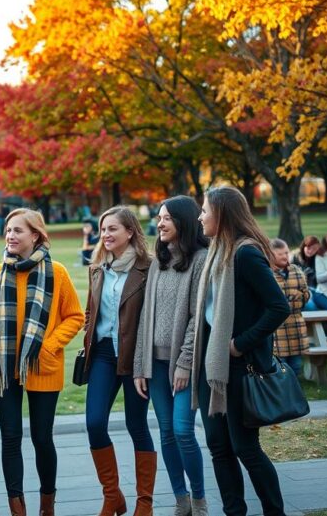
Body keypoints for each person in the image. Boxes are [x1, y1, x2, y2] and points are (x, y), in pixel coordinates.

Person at [191, 186, 290, 516]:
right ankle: (235, 511)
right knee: (219, 446)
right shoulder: (217, 252)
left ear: (222, 214)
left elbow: (278, 307)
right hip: (212, 366)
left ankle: (275, 511)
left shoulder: (245, 253)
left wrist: (240, 344)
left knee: (245, 448)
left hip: (237, 365)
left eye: (205, 210)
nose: (200, 216)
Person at [0, 208, 84, 516]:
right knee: (10, 437)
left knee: (41, 437)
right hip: (3, 369)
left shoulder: (58, 273)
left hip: (44, 366)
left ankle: (46, 506)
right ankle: (17, 508)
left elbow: (74, 316)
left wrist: (49, 346)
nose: (10, 235)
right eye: (8, 230)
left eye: (17, 231)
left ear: (35, 235)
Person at [133, 196, 210, 516]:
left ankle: (200, 499)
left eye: (167, 218)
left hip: (183, 366)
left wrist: (185, 363)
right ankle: (181, 500)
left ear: (185, 221)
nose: (160, 223)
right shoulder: (157, 262)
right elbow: (143, 319)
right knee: (165, 432)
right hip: (155, 363)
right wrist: (140, 365)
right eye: (159, 217)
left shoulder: (201, 260)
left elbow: (198, 317)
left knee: (182, 430)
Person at [78, 206, 154, 516]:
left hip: (135, 359)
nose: (105, 234)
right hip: (103, 357)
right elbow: (90, 310)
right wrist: (88, 332)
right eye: (103, 229)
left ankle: (144, 503)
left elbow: (151, 319)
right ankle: (113, 496)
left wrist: (144, 364)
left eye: (112, 229)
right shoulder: (98, 267)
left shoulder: (149, 268)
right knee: (94, 423)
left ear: (130, 232)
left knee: (136, 424)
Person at [270, 239, 311, 376]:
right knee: (280, 369)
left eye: (286, 252)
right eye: (280, 254)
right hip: (277, 330)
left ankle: (293, 396)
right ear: (270, 255)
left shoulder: (296, 271)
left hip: (296, 328)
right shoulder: (267, 273)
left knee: (296, 367)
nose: (285, 256)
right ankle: (281, 396)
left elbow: (306, 295)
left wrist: (296, 298)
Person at [293, 236, 323, 310]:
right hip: (298, 290)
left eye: (314, 249)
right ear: (304, 246)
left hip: (314, 290)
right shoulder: (294, 258)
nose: (310, 251)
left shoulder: (318, 259)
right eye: (309, 248)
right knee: (311, 306)